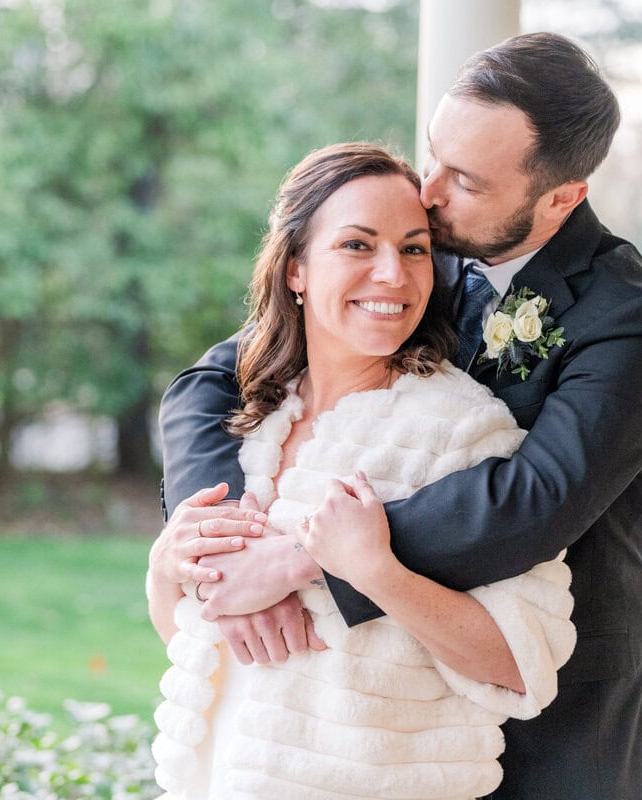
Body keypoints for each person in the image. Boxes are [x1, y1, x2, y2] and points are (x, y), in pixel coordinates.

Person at [157, 33, 642, 800]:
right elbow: (214, 380)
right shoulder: (409, 252)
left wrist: (311, 554)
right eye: (433, 154)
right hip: (376, 736)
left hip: (559, 728)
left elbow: (532, 501)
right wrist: (226, 540)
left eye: (464, 179)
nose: (429, 191)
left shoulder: (633, 320)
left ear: (561, 198)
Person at [146, 142, 576, 800]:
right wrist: (165, 569)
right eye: (357, 245)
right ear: (295, 268)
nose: (393, 275)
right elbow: (201, 648)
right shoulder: (251, 422)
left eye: (412, 248)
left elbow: (522, 665)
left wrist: (375, 570)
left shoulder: (460, 430)